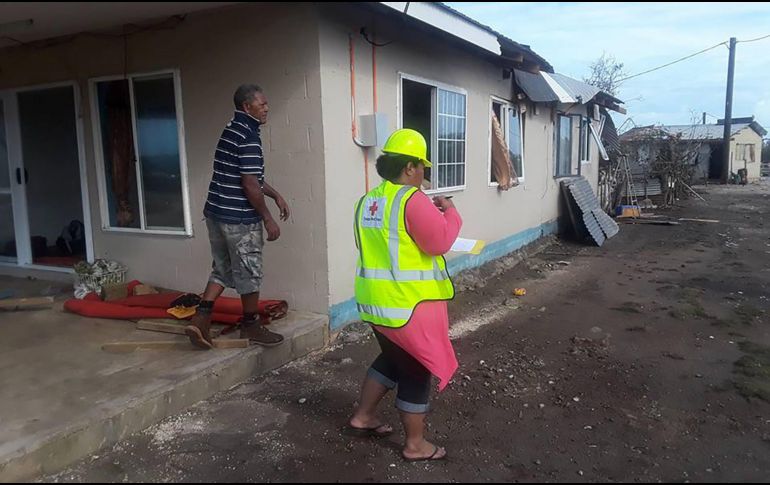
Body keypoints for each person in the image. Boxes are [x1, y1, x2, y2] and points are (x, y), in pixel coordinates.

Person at [348, 128, 462, 462]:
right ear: (410, 167)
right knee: (415, 369)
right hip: (408, 305)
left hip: (375, 303)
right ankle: (415, 445)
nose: (424, 174)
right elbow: (439, 242)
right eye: (422, 167)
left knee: (392, 360)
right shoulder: (411, 200)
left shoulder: (366, 202)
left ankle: (363, 416)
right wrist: (451, 213)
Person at [186, 84, 289, 349]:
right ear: (247, 107)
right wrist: (267, 217)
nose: (267, 108)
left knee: (222, 267)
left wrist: (275, 194)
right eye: (262, 104)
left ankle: (201, 318)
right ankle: (251, 325)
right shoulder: (249, 138)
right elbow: (250, 184)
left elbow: (248, 177)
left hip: (216, 213)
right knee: (250, 271)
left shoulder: (231, 130)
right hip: (239, 218)